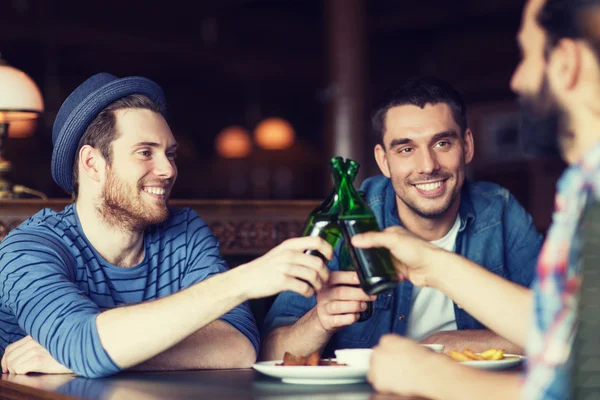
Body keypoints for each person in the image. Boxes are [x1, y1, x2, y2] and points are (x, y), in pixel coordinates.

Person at [0, 73, 332, 378]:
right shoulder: (27, 249)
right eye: (145, 152)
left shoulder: (184, 232)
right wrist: (243, 279)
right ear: (92, 163)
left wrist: (86, 357)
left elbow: (238, 346)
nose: (168, 170)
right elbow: (82, 345)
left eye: (170, 154)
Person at [353, 0, 600, 398]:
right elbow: (567, 332)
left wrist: (432, 377)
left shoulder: (573, 196)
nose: (517, 80)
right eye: (405, 149)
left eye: (527, 55)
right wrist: (431, 265)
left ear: (566, 63)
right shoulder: (583, 185)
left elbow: (580, 382)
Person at [261, 76, 542, 360]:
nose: (428, 166)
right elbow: (270, 351)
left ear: (467, 146)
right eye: (406, 149)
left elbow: (562, 330)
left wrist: (450, 343)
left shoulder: (500, 212)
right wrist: (320, 321)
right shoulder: (346, 217)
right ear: (384, 161)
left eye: (443, 143)